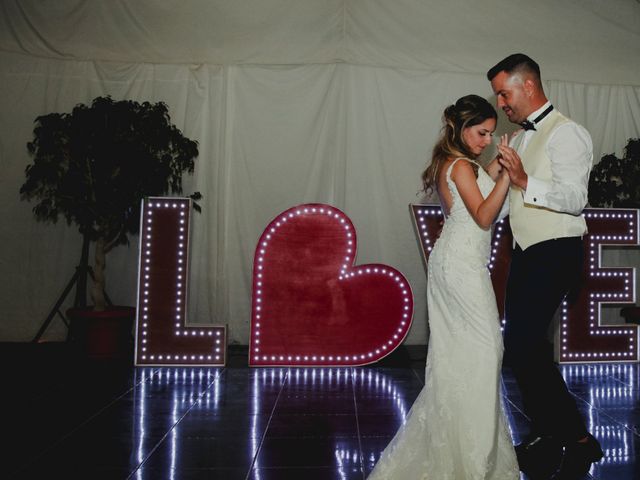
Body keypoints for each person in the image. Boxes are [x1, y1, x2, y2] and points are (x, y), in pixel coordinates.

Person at [368, 94, 518, 479]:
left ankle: (465, 451)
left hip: (460, 262)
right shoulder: (461, 166)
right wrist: (506, 175)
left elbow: (487, 211)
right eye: (482, 132)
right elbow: (485, 216)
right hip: (460, 266)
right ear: (462, 128)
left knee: (466, 358)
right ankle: (471, 458)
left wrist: (499, 173)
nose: (487, 140)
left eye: (491, 134)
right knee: (485, 352)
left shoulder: (460, 163)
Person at [487, 53, 604, 479]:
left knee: (525, 345)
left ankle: (578, 439)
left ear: (528, 86)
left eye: (505, 93)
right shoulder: (517, 140)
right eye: (498, 95)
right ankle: (546, 432)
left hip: (557, 249)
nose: (501, 102)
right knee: (522, 348)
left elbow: (575, 198)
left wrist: (523, 181)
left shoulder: (568, 132)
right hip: (526, 250)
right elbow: (505, 204)